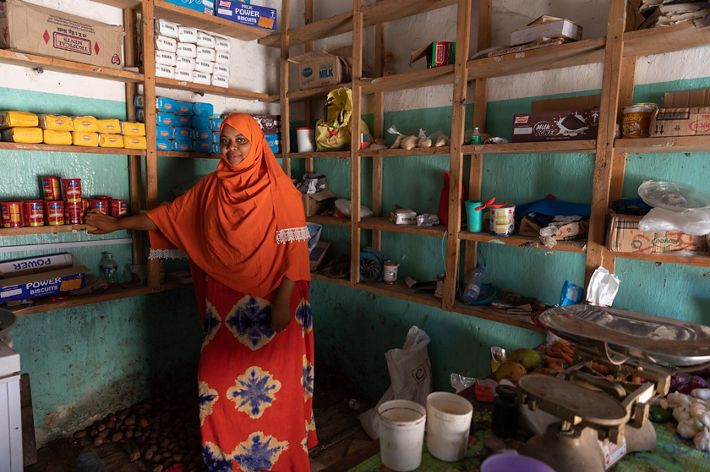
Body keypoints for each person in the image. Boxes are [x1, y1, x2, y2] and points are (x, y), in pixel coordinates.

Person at [86, 113, 317, 471]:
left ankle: (280, 457)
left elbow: (296, 252)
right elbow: (167, 217)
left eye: (240, 140)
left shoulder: (279, 188)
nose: (232, 148)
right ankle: (228, 461)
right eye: (226, 141)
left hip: (276, 300)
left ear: (256, 142)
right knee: (217, 384)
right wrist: (118, 223)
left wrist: (283, 302)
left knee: (277, 389)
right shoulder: (212, 186)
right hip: (227, 303)